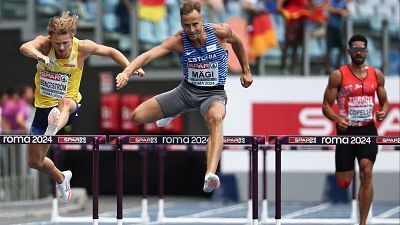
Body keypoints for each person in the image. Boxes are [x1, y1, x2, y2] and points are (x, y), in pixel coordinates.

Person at [115, 0, 253, 193]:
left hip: (213, 94)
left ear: (202, 20)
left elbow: (238, 42)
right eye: (186, 25)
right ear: (181, 24)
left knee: (215, 118)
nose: (192, 29)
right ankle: (175, 111)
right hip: (186, 92)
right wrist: (127, 71)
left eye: (195, 24)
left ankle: (210, 174)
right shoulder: (179, 40)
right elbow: (149, 55)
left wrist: (246, 71)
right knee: (137, 116)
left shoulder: (220, 31)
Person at [19, 11, 143, 204]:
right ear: (51, 38)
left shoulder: (82, 47)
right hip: (43, 110)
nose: (61, 48)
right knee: (34, 162)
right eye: (57, 43)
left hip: (69, 106)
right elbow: (25, 47)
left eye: (65, 43)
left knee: (65, 103)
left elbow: (111, 51)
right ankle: (61, 177)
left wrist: (129, 68)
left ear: (72, 38)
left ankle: (53, 129)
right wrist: (39, 56)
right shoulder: (44, 44)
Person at [322, 34, 389, 225]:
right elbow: (325, 106)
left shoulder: (377, 75)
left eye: (362, 49)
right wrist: (337, 118)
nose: (359, 52)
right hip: (346, 130)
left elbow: (385, 103)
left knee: (367, 171)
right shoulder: (338, 75)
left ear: (367, 52)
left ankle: (363, 222)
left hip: (368, 129)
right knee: (344, 182)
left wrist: (383, 112)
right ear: (349, 51)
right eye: (355, 49)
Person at [324, 0, 349, 72]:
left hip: (339, 28)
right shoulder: (331, 1)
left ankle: (337, 66)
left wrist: (340, 11)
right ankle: (327, 67)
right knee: (329, 48)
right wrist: (340, 11)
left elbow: (347, 12)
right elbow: (329, 9)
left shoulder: (342, 2)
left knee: (341, 47)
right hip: (330, 28)